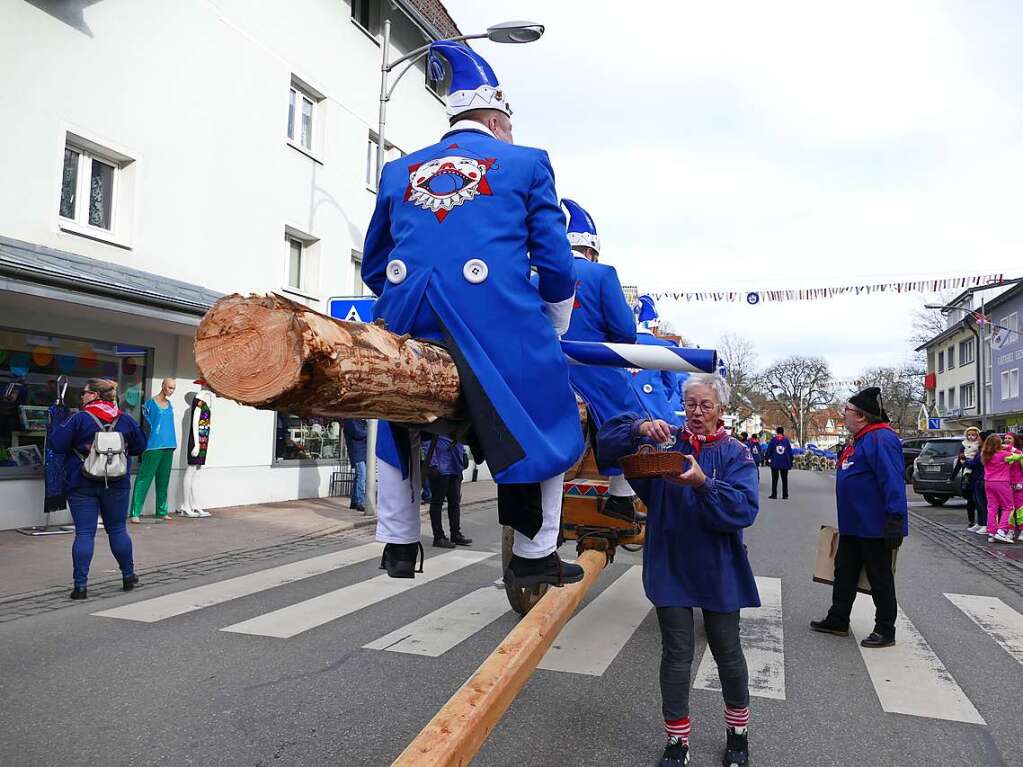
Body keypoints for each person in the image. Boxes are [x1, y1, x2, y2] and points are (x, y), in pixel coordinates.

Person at [362, 41, 585, 586]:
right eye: (506, 124)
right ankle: (535, 553)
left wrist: (405, 300)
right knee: (549, 408)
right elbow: (556, 263)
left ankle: (397, 542)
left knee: (392, 407)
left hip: (407, 306)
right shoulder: (527, 161)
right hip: (490, 311)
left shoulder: (399, 170)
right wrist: (553, 320)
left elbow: (374, 264)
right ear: (494, 118)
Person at [598, 374, 758, 767]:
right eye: (690, 404)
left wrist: (703, 483)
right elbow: (606, 444)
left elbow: (743, 510)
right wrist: (638, 426)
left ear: (720, 409)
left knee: (727, 651)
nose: (697, 412)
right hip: (670, 560)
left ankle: (737, 735)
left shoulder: (737, 453)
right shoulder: (665, 444)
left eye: (705, 405)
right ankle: (677, 741)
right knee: (676, 654)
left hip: (718, 564)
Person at [556, 198, 644, 524]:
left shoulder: (536, 274)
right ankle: (621, 497)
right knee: (631, 418)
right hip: (591, 372)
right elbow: (626, 333)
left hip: (543, 368)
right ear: (591, 251)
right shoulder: (602, 274)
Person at [811, 387, 907, 648]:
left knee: (879, 578)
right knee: (844, 572)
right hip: (854, 524)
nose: (844, 415)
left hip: (875, 525)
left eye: (848, 411)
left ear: (862, 416)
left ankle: (885, 629)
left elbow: (892, 480)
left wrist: (895, 518)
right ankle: (838, 619)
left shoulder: (881, 439)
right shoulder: (862, 439)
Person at [49, 379, 147, 599]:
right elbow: (141, 446)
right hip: (117, 484)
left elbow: (56, 444)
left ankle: (80, 586)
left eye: (84, 393)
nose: (81, 396)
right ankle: (128, 576)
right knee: (118, 530)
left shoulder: (79, 419)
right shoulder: (125, 420)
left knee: (84, 533)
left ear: (93, 395)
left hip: (81, 483)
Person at [130, 378, 177, 523]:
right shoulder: (150, 404)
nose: (171, 391)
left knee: (164, 480)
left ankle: (161, 511)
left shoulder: (170, 405)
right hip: (153, 446)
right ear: (163, 386)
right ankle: (135, 512)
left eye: (173, 388)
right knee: (144, 478)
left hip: (169, 445)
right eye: (169, 387)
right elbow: (144, 425)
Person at [423, 435, 473, 548]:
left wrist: (464, 454)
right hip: (440, 467)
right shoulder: (437, 420)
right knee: (437, 503)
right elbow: (426, 441)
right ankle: (439, 537)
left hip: (455, 466)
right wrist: (433, 464)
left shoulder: (456, 420)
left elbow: (461, 437)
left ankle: (456, 534)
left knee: (455, 503)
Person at [982, 434, 1016, 544]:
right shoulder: (1003, 454)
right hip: (1002, 483)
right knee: (1008, 507)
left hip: (988, 482)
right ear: (998, 444)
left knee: (992, 508)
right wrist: (1010, 447)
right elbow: (1019, 455)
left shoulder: (985, 454)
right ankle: (1001, 531)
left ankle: (991, 533)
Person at [951, 426, 983, 532]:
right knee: (971, 500)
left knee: (979, 500)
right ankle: (972, 520)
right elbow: (960, 462)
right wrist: (952, 476)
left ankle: (981, 522)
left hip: (977, 475)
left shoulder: (980, 446)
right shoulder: (964, 445)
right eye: (969, 435)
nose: (971, 437)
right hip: (968, 475)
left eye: (973, 435)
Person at [342, 418, 368, 512]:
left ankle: (354, 501)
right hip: (357, 453)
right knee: (362, 476)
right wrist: (370, 432)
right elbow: (358, 433)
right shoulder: (351, 420)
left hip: (362, 452)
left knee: (359, 477)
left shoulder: (359, 421)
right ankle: (359, 502)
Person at [767, 426, 793, 499]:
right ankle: (785, 495)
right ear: (783, 432)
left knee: (774, 479)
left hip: (775, 462)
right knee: (784, 479)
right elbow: (790, 452)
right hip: (784, 462)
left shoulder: (773, 440)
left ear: (777, 432)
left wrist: (767, 458)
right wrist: (790, 462)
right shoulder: (786, 441)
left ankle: (774, 494)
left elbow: (769, 450)